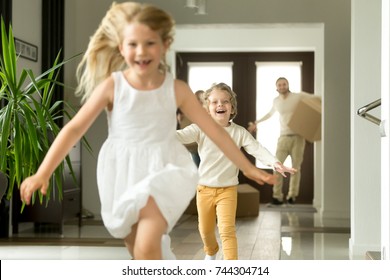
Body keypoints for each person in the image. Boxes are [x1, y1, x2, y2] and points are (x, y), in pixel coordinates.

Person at [19, 2, 276, 260]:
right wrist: (43, 173)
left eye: (150, 43)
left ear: (165, 45)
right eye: (133, 44)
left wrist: (247, 167)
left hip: (162, 170)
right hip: (122, 173)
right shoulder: (113, 86)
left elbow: (218, 133)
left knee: (147, 244)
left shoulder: (177, 89)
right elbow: (73, 129)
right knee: (139, 252)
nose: (141, 51)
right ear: (122, 47)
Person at [177, 83, 295, 260]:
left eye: (225, 102)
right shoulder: (200, 128)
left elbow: (257, 148)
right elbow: (180, 136)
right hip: (204, 190)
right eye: (214, 102)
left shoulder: (239, 133)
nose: (220, 105)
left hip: (228, 190)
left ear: (232, 108)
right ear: (207, 109)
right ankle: (211, 252)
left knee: (227, 230)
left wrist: (275, 162)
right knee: (205, 230)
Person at [248, 77, 320, 205]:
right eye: (279, 85)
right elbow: (269, 114)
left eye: (284, 84)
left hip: (298, 137)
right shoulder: (276, 101)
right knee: (277, 166)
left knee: (295, 167)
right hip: (283, 137)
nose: (282, 86)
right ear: (277, 88)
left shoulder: (298, 96)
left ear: (288, 85)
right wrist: (256, 123)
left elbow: (315, 98)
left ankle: (292, 196)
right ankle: (277, 196)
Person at [176, 90, 205, 167]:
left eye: (202, 99)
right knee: (198, 167)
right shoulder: (186, 111)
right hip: (193, 147)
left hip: (202, 146)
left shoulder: (208, 112)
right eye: (198, 99)